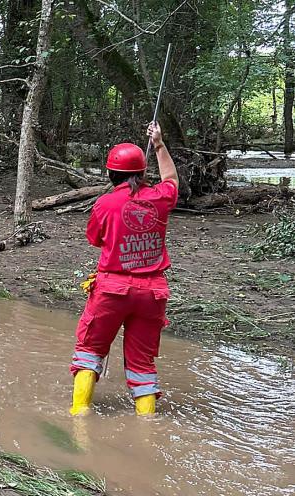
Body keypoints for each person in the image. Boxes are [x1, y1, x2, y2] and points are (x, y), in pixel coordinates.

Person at [69, 122, 179, 417]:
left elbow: (95, 239)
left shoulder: (105, 204)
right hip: (152, 293)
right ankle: (147, 425)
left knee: (89, 351)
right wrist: (158, 143)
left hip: (111, 289)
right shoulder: (160, 198)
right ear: (143, 173)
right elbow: (171, 178)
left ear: (110, 174)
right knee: (142, 365)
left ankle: (79, 413)